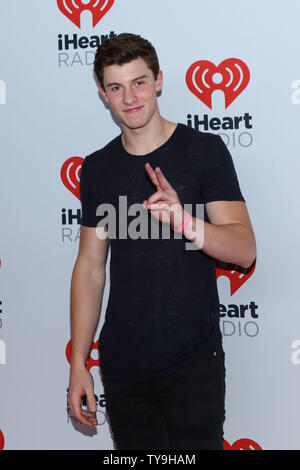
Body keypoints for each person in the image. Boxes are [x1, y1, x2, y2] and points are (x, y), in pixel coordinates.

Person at [67, 33, 256, 450]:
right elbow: (90, 267)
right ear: (103, 95)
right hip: (123, 366)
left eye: (138, 82)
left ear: (158, 81)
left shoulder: (203, 151)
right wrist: (79, 363)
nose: (129, 97)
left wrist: (185, 221)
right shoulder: (97, 169)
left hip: (193, 361)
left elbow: (244, 251)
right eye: (116, 87)